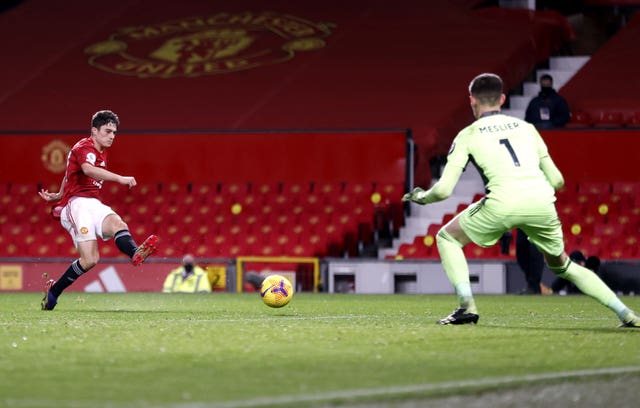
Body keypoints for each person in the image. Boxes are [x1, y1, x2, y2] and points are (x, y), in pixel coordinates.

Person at [402, 73, 639, 328]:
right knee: (564, 265)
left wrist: (421, 197)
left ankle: (466, 307)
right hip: (540, 202)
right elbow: (558, 181)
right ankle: (627, 314)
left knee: (447, 237)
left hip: (502, 203)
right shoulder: (527, 129)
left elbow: (444, 190)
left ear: (471, 100)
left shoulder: (467, 135)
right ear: (502, 99)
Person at [38, 110, 159, 310]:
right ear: (94, 130)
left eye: (114, 132)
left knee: (118, 224)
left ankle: (135, 253)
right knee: (90, 260)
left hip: (93, 203)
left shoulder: (100, 151)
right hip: (76, 206)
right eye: (108, 131)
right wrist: (121, 178)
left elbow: (70, 173)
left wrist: (59, 194)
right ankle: (54, 291)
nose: (112, 136)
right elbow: (87, 169)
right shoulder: (84, 147)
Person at [515, 228, 546, 295]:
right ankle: (532, 284)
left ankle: (534, 285)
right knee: (521, 250)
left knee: (535, 251)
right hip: (522, 222)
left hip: (538, 222)